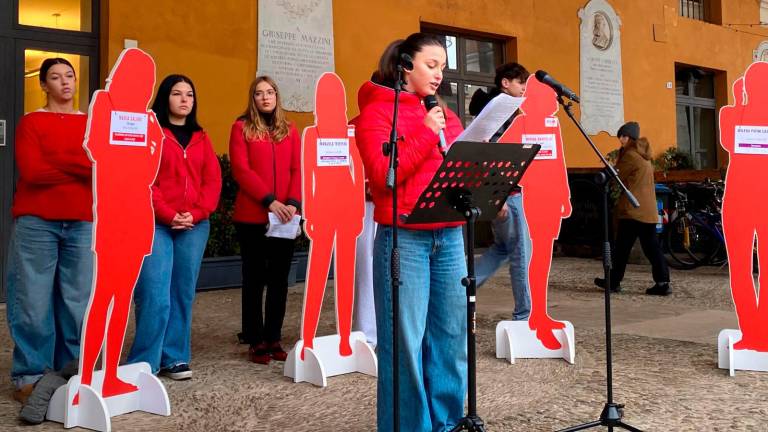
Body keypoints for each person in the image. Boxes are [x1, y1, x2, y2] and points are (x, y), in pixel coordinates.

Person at [355, 33, 467, 431]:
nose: (439, 75)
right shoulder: (376, 114)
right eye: (430, 65)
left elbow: (458, 167)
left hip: (449, 236)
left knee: (450, 336)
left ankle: (447, 422)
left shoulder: (445, 114)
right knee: (405, 342)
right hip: (404, 238)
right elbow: (382, 176)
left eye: (442, 67)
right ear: (405, 65)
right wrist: (424, 131)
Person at [6, 58, 93, 404]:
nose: (65, 82)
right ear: (44, 85)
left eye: (69, 75)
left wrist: (56, 159)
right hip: (37, 221)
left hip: (82, 221)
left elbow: (98, 167)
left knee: (77, 302)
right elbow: (32, 171)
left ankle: (71, 370)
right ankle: (30, 374)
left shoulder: (90, 123)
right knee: (33, 300)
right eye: (55, 77)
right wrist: (79, 165)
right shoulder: (31, 122)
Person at [78, 48, 163, 401]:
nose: (145, 87)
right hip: (112, 214)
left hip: (139, 215)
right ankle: (86, 380)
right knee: (103, 295)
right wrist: (136, 151)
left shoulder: (149, 120)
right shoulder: (104, 102)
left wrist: (150, 142)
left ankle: (110, 375)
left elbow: (149, 172)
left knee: (123, 298)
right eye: (141, 79)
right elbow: (98, 148)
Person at [127, 74, 222, 380]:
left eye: (189, 94)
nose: (184, 99)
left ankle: (175, 357)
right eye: (177, 93)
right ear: (165, 97)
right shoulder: (152, 133)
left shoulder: (201, 137)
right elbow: (145, 179)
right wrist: (169, 214)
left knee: (182, 292)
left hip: (194, 225)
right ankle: (144, 362)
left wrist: (197, 213)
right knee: (154, 293)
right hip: (156, 223)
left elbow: (212, 181)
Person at [229, 76, 301, 365]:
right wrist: (269, 200)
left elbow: (297, 168)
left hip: (285, 217)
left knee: (279, 280)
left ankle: (274, 337)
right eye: (259, 93)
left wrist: (293, 203)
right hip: (253, 215)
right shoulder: (241, 128)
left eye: (270, 92)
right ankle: (255, 339)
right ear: (253, 99)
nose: (265, 97)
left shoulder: (290, 130)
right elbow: (241, 170)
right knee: (254, 278)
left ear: (276, 96)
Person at [498, 75, 572, 350]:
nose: (554, 100)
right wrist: (519, 179)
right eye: (549, 95)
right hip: (533, 199)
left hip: (552, 199)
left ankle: (541, 313)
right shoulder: (521, 124)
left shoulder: (553, 125)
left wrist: (564, 196)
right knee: (533, 257)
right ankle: (534, 317)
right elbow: (502, 155)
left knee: (543, 257)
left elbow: (558, 161)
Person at [470, 62, 532, 321]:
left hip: (504, 192)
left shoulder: (499, 111)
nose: (524, 88)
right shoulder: (498, 113)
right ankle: (524, 316)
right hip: (508, 193)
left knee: (503, 248)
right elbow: (491, 154)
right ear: (505, 83)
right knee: (520, 253)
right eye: (520, 83)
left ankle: (460, 290)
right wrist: (499, 194)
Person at [718, 63, 768, 350]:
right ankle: (757, 333)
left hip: (740, 199)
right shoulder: (732, 114)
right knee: (745, 268)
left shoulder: (732, 113)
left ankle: (754, 332)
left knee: (741, 269)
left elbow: (728, 139)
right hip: (743, 200)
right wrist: (741, 105)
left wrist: (740, 102)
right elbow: (728, 140)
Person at [594, 121, 671, 295]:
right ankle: (663, 282)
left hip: (633, 209)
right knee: (651, 248)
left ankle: (614, 282)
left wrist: (604, 174)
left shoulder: (631, 155)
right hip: (646, 209)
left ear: (630, 138)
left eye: (623, 136)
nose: (620, 140)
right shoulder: (643, 154)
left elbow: (617, 174)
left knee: (622, 248)